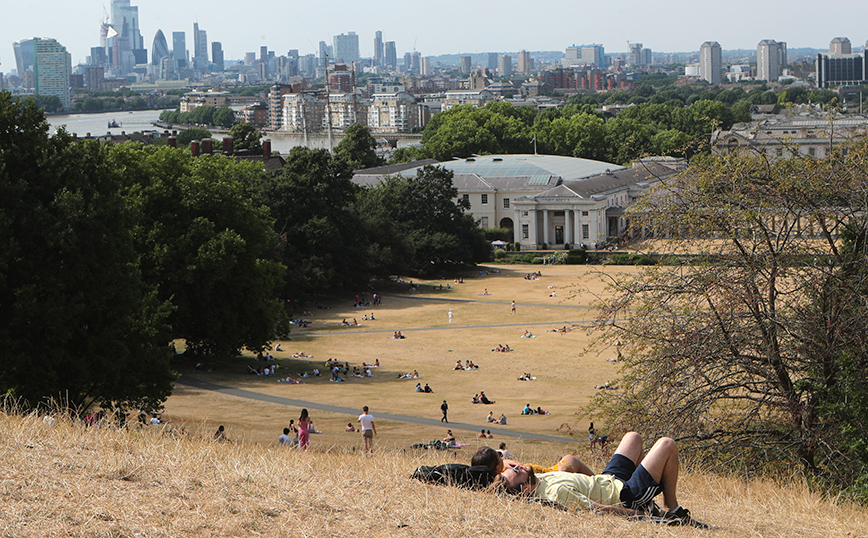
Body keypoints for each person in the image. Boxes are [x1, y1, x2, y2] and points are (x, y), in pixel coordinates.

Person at [490, 432, 705, 527]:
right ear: (526, 490)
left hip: (608, 479)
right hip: (624, 495)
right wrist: (643, 515)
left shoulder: (535, 478)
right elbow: (597, 509)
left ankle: (647, 484)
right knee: (667, 444)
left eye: (515, 467)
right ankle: (671, 507)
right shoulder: (556, 493)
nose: (517, 467)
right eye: (517, 472)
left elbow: (502, 470)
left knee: (633, 437)